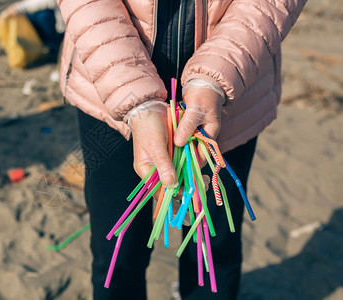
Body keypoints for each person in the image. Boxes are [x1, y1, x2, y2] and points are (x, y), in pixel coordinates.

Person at [55, 0, 307, 299]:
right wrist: (135, 100)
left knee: (213, 249)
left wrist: (213, 80)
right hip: (109, 91)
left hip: (232, 92)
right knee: (116, 250)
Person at [0, 0, 65, 60]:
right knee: (27, 17)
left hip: (60, 20)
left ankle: (59, 48)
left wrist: (20, 7)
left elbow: (51, 1)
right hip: (44, 9)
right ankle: (48, 45)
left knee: (43, 17)